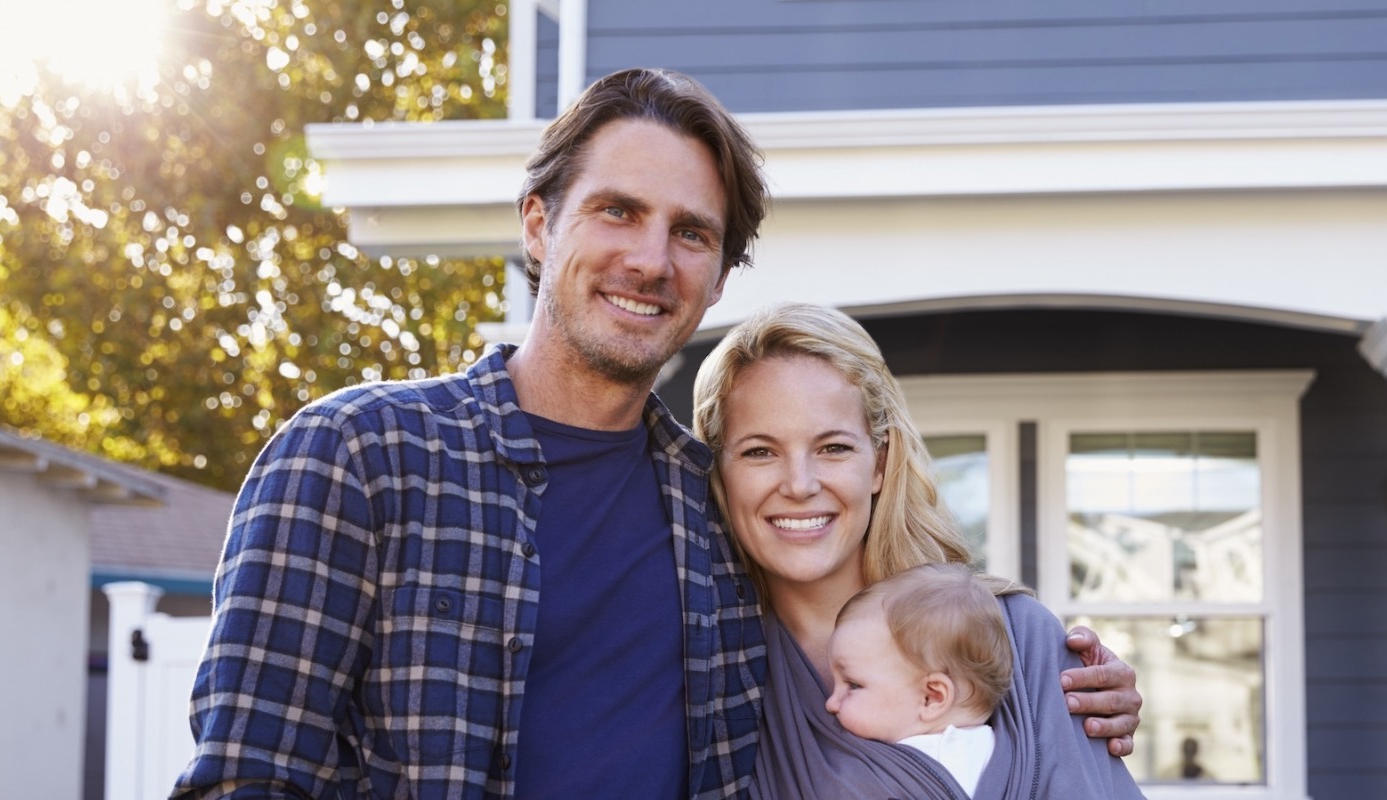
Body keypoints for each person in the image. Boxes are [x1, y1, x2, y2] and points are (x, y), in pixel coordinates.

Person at [174, 67, 1137, 799]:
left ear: (719, 275)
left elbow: (882, 633)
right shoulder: (359, 457)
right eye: (617, 211)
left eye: (691, 232)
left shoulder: (710, 503)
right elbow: (246, 777)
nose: (649, 258)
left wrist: (1053, 661)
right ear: (539, 224)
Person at [694, 301, 1146, 799]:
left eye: (834, 448)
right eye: (760, 451)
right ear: (719, 473)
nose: (800, 485)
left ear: (880, 463)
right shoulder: (702, 669)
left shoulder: (1019, 637)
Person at [825, 563, 1024, 797]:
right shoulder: (1012, 752)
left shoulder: (890, 777)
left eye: (853, 685)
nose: (831, 704)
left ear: (932, 697)